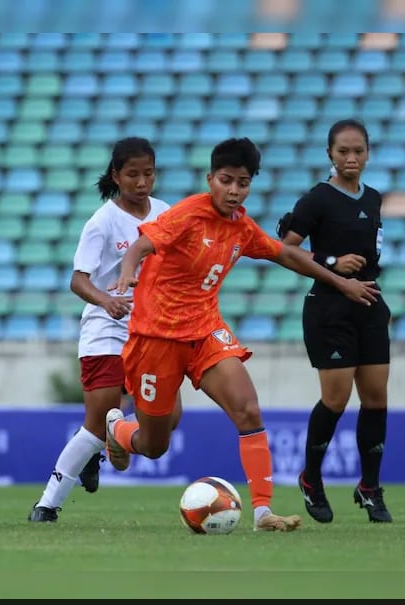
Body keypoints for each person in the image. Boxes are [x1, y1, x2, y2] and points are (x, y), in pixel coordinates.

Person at [106, 137, 380, 532]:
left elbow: (285, 253)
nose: (234, 191)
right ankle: (118, 428)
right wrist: (128, 270)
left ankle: (263, 513)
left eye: (243, 183)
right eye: (226, 181)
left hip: (205, 332)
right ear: (210, 179)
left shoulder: (241, 227)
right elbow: (142, 245)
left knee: (248, 410)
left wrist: (340, 282)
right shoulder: (188, 215)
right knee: (153, 445)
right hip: (156, 338)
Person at [28, 137, 182, 522]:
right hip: (107, 327)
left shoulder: (165, 213)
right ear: (116, 175)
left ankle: (112, 439)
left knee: (169, 417)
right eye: (132, 174)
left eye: (148, 173)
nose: (141, 182)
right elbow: (78, 280)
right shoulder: (102, 221)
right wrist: (105, 300)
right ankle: (47, 504)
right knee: (97, 420)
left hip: (153, 329)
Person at [277, 118, 393, 524]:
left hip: (369, 303)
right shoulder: (317, 199)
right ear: (330, 153)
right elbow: (286, 251)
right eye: (343, 151)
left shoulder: (374, 198)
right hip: (329, 308)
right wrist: (332, 265)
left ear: (368, 153)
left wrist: (361, 284)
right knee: (337, 398)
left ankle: (370, 487)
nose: (351, 158)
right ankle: (311, 479)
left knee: (376, 396)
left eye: (358, 150)